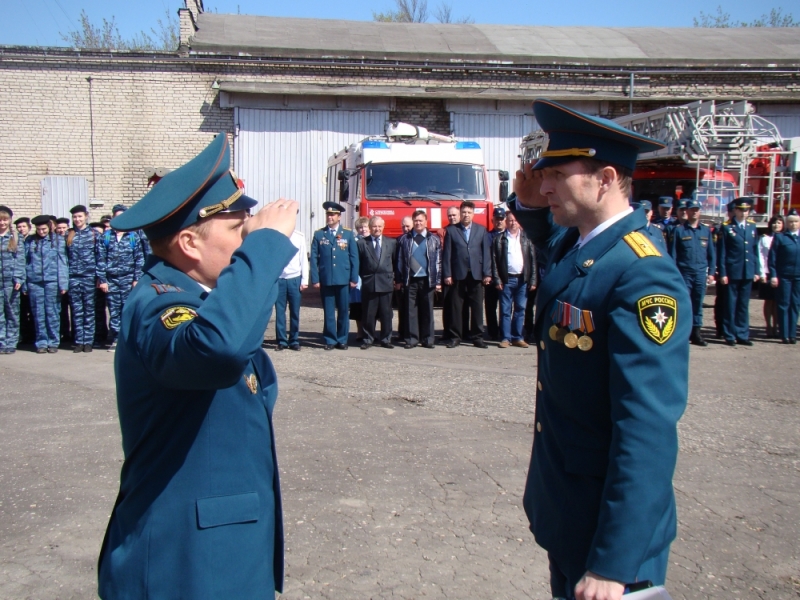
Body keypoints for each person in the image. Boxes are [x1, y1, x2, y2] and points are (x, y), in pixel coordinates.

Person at [97, 133, 299, 599]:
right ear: (189, 242)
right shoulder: (159, 305)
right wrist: (265, 246)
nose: (246, 237)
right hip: (186, 563)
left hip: (220, 553)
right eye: (238, 229)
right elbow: (218, 351)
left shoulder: (202, 303)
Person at [510, 99, 690, 600]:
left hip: (608, 538)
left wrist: (614, 562)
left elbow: (646, 428)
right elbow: (555, 248)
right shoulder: (585, 242)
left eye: (557, 174)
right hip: (569, 513)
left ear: (605, 179)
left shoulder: (642, 275)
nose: (545, 185)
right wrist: (531, 204)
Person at [442, 201, 491, 348]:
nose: (466, 215)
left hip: (476, 274)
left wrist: (487, 273)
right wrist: (447, 274)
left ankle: (477, 337)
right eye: (464, 212)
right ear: (460, 213)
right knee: (456, 307)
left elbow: (486, 253)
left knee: (477, 307)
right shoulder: (452, 231)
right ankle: (456, 337)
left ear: (473, 214)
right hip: (458, 273)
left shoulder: (481, 230)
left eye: (469, 212)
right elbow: (447, 254)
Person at [309, 202, 358, 350]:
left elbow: (354, 257)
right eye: (328, 215)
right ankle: (330, 339)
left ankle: (342, 339)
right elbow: (314, 258)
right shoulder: (319, 234)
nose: (330, 217)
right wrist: (315, 278)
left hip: (343, 278)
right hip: (326, 279)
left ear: (339, 216)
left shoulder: (348, 234)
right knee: (329, 312)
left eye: (333, 215)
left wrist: (354, 278)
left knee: (343, 310)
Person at [96, 204, 144, 351]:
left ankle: (127, 339)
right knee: (114, 310)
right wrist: (103, 280)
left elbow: (139, 259)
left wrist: (136, 279)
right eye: (117, 216)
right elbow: (100, 259)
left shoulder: (133, 236)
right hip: (111, 280)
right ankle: (116, 339)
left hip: (128, 279)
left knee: (128, 309)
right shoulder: (106, 237)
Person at [668, 198, 716, 346]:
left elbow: (711, 254)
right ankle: (683, 333)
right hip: (684, 273)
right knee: (684, 303)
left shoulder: (705, 231)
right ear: (687, 211)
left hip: (700, 272)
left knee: (698, 303)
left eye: (696, 210)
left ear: (699, 212)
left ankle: (696, 333)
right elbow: (673, 255)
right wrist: (674, 274)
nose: (694, 212)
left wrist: (711, 272)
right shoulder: (679, 231)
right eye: (691, 210)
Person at [716, 197, 760, 346]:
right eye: (741, 210)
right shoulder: (727, 227)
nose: (743, 213)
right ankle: (729, 334)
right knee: (730, 304)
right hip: (732, 271)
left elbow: (754, 250)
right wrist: (723, 273)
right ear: (735, 210)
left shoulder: (752, 226)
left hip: (747, 270)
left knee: (743, 305)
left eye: (746, 210)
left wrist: (756, 270)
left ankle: (742, 334)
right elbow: (722, 252)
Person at [396, 209, 441, 349]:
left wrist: (438, 281)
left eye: (421, 220)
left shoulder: (434, 239)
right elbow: (399, 261)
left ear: (426, 222)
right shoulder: (404, 239)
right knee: (411, 310)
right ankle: (412, 339)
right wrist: (399, 279)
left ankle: (428, 339)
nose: (418, 223)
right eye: (415, 221)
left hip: (427, 279)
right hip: (410, 279)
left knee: (427, 310)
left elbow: (438, 261)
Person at [23, 215, 69, 353]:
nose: (41, 232)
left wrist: (63, 283)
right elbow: (25, 262)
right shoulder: (30, 241)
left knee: (52, 312)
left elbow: (62, 262)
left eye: (44, 229)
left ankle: (53, 341)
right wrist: (25, 284)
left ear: (49, 227)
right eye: (38, 229)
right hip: (34, 282)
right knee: (38, 313)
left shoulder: (57, 240)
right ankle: (41, 342)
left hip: (52, 281)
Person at [492, 210, 537, 348]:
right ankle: (506, 338)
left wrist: (533, 280)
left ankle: (518, 337)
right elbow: (494, 261)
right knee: (505, 310)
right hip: (506, 279)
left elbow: (532, 260)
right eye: (510, 220)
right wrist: (497, 279)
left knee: (520, 309)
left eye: (515, 220)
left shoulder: (527, 238)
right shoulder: (499, 239)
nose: (513, 223)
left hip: (522, 279)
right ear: (506, 221)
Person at [357, 216, 396, 349]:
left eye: (380, 226)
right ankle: (368, 339)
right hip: (370, 283)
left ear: (383, 227)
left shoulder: (391, 242)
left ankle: (386, 339)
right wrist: (365, 277)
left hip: (386, 283)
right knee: (369, 313)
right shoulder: (362, 243)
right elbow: (359, 264)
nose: (377, 229)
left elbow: (394, 262)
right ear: (370, 227)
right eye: (374, 226)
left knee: (386, 314)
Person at [66, 205, 98, 352]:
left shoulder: (94, 234)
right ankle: (79, 341)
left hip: (89, 277)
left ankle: (89, 341)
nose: (77, 219)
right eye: (75, 217)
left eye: (80, 216)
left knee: (89, 310)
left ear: (86, 216)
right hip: (73, 277)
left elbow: (99, 256)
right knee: (77, 310)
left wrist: (99, 277)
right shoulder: (68, 234)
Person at [768, 209, 800, 343]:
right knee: (783, 304)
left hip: (798, 276)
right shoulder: (780, 237)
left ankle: (792, 334)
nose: (793, 224)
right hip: (784, 276)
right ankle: (784, 334)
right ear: (787, 223)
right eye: (791, 222)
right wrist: (773, 275)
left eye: (796, 222)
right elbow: (772, 258)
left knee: (795, 304)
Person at [274, 229, 308, 351]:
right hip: (279, 278)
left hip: (295, 278)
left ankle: (294, 340)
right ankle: (281, 340)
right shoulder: (276, 236)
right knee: (280, 311)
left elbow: (303, 258)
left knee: (294, 311)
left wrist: (305, 280)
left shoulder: (299, 236)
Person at [0, 206, 25, 354]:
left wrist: (19, 278)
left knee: (12, 313)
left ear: (9, 220)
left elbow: (20, 259)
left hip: (11, 282)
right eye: (0, 220)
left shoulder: (15, 237)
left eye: (5, 220)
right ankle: (1, 341)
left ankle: (11, 342)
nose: (2, 223)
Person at [758, 215, 784, 337]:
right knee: (769, 300)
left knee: (778, 301)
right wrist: (762, 273)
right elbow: (761, 256)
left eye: (779, 223)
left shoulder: (785, 238)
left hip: (781, 273)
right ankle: (768, 326)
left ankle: (776, 326)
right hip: (768, 272)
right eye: (774, 223)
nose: (776, 225)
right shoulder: (765, 238)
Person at [484, 207, 507, 341]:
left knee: (505, 308)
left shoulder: (510, 236)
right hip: (491, 277)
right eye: (497, 219)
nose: (499, 221)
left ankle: (505, 332)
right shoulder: (487, 237)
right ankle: (493, 332)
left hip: (506, 277)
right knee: (490, 307)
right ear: (492, 220)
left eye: (501, 219)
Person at [394, 215, 414, 344]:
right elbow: (397, 262)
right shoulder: (398, 240)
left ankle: (412, 334)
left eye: (408, 226)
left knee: (412, 310)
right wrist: (397, 280)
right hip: (401, 280)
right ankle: (402, 333)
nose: (405, 229)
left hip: (414, 280)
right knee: (402, 309)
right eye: (403, 226)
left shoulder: (417, 240)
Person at [351, 216, 370, 342]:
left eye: (365, 227)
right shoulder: (354, 242)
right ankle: (359, 332)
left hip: (370, 277)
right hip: (358, 279)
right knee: (358, 306)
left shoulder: (372, 241)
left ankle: (370, 331)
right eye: (360, 227)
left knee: (371, 306)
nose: (363, 229)